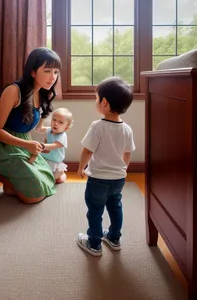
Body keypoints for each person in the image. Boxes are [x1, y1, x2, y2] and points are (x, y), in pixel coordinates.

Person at [0, 47, 61, 204]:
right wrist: (27, 144)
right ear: (33, 72)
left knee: (52, 178)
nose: (53, 77)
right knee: (34, 196)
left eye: (55, 72)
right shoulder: (13, 91)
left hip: (21, 144)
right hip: (2, 146)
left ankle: (12, 185)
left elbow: (32, 127)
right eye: (47, 71)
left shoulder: (41, 93)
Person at [77, 77, 135, 256]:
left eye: (96, 98)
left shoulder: (98, 126)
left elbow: (87, 151)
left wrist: (80, 168)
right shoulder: (127, 128)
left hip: (98, 179)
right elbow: (128, 152)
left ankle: (94, 244)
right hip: (118, 179)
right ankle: (114, 238)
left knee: (95, 211)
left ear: (104, 102)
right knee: (115, 208)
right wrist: (122, 168)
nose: (96, 101)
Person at [29, 107, 74, 183]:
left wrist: (43, 146)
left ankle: (62, 174)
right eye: (54, 120)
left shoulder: (62, 136)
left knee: (53, 179)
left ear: (66, 128)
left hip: (55, 163)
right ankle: (58, 177)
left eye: (60, 122)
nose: (56, 123)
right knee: (43, 175)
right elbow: (38, 129)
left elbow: (55, 145)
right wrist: (42, 118)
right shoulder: (49, 130)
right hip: (45, 159)